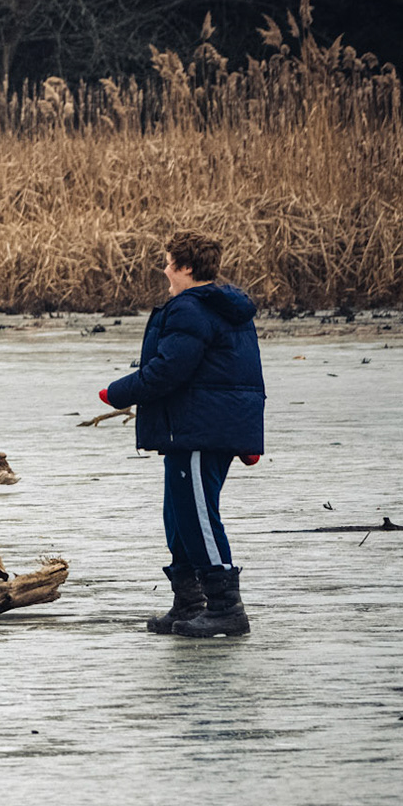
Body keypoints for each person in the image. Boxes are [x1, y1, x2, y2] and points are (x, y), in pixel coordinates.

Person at [98, 234, 265, 638]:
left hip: (199, 430)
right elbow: (234, 374)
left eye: (169, 262)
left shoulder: (191, 308)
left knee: (197, 515)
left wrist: (117, 393)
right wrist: (242, 434)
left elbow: (170, 369)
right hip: (199, 426)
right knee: (178, 515)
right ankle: (190, 601)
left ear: (187, 268)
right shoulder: (218, 306)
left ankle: (225, 606)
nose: (165, 269)